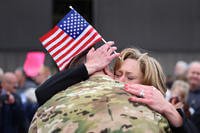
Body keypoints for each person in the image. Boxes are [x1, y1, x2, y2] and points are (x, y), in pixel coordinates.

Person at [35, 42, 198, 132]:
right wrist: (87, 68)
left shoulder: (158, 111)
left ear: (148, 84)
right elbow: (42, 94)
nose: (120, 81)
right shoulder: (102, 99)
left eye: (130, 77)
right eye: (118, 74)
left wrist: (169, 110)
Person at [186, 61, 200, 131]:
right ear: (187, 74)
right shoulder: (178, 91)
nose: (195, 75)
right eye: (193, 72)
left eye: (198, 73)